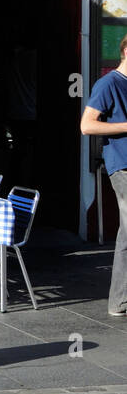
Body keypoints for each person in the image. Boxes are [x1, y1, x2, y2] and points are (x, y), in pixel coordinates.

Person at [82, 37, 127, 317]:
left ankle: (121, 300)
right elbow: (87, 125)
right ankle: (119, 301)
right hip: (122, 166)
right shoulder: (108, 83)